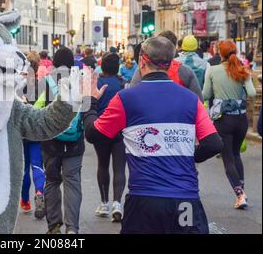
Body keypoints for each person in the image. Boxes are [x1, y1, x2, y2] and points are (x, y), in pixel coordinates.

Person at [83, 36, 223, 234]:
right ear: (172, 62)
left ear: (142, 60)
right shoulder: (191, 100)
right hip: (186, 201)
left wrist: (89, 103)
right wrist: (187, 158)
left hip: (144, 202)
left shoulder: (126, 98)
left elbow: (93, 134)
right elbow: (214, 144)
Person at [203, 40, 257, 210]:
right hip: (241, 120)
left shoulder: (212, 70)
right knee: (236, 154)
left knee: (227, 159)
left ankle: (240, 195)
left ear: (220, 53)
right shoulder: (242, 70)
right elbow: (252, 93)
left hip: (223, 119)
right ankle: (242, 191)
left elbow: (205, 94)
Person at [39, 47, 85, 234]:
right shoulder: (81, 81)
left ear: (55, 63)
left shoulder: (46, 82)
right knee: (72, 183)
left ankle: (54, 226)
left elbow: (36, 109)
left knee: (51, 181)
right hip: (74, 142)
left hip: (51, 141)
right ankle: (72, 228)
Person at [93, 53, 126, 222]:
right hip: (120, 131)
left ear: (102, 67)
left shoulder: (98, 83)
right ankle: (117, 203)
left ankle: (104, 203)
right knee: (119, 168)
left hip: (102, 130)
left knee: (103, 165)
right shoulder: (122, 84)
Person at [131, 31, 203, 100]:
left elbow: (132, 95)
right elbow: (198, 101)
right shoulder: (185, 71)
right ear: (174, 48)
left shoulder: (143, 68)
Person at [20, 52, 46, 220]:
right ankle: (39, 191)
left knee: (24, 168)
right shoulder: (43, 86)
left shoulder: (18, 87)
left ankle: (25, 202)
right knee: (37, 165)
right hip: (37, 132)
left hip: (21, 132)